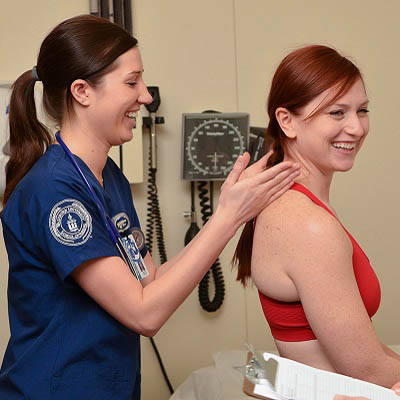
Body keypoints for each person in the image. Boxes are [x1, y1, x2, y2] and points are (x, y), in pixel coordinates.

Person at [0, 15, 300, 399]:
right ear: (82, 91)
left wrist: (227, 208)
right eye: (131, 82)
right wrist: (229, 217)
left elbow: (149, 281)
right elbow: (145, 313)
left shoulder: (109, 177)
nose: (145, 95)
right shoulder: (55, 192)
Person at [233, 45, 400, 389]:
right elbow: (366, 369)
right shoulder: (305, 223)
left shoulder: (296, 206)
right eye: (337, 113)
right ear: (287, 121)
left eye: (362, 110)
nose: (356, 127)